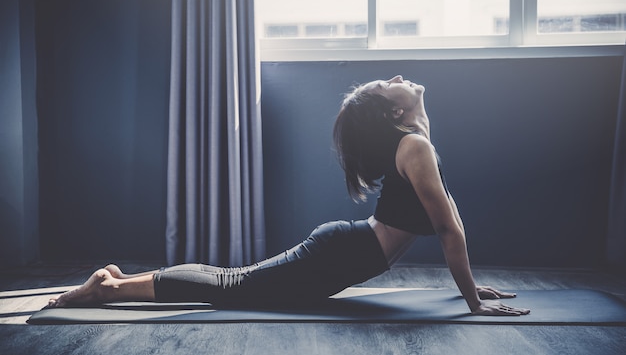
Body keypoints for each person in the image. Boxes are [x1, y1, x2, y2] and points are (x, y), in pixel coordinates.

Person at [48, 75, 529, 316]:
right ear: (396, 108)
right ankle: (108, 289)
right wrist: (472, 302)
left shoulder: (415, 142)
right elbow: (448, 228)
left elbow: (451, 221)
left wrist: (471, 288)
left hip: (348, 251)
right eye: (390, 83)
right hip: (343, 253)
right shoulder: (415, 145)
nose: (399, 78)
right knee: (232, 289)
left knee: (235, 282)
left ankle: (117, 279)